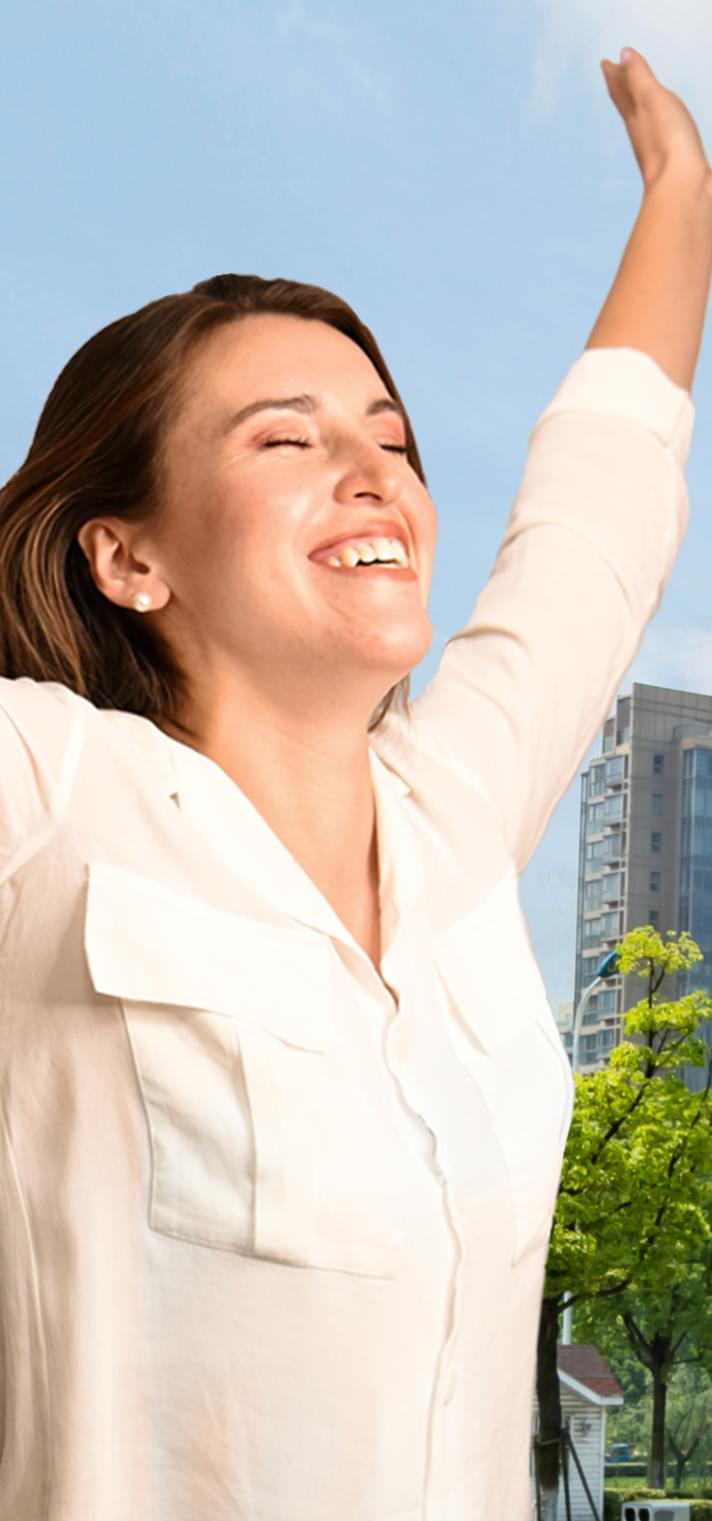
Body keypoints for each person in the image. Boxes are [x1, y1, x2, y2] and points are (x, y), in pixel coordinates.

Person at [0, 45, 710, 1521]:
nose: (374, 470)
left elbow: (596, 519)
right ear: (128, 555)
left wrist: (683, 192)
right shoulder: (52, 797)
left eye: (391, 438)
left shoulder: (450, 816)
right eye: (288, 440)